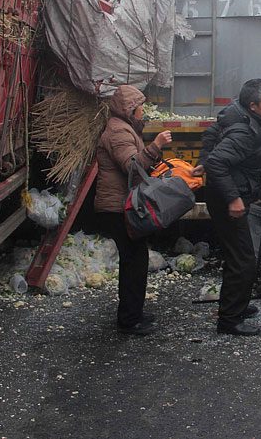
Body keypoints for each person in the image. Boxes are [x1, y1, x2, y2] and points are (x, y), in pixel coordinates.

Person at [94, 85, 172, 335]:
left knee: (136, 260)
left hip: (122, 204)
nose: (143, 112)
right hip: (117, 208)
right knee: (133, 261)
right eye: (140, 108)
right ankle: (129, 320)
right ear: (130, 109)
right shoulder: (118, 131)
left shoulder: (125, 128)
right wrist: (156, 146)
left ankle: (134, 312)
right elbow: (132, 167)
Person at [204, 79, 261, 336]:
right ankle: (229, 320)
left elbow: (212, 133)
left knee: (240, 255)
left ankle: (239, 306)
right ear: (253, 105)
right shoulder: (246, 132)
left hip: (231, 192)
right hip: (224, 198)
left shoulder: (238, 115)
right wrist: (234, 199)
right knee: (243, 259)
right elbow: (217, 163)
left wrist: (204, 161)